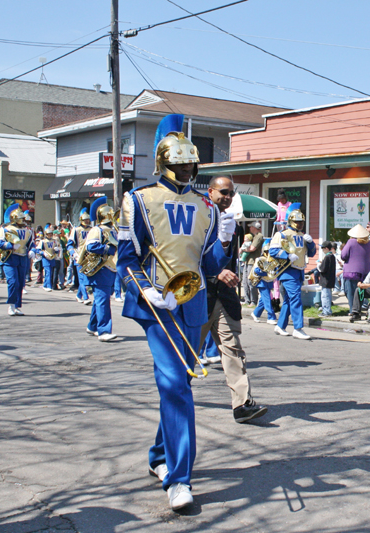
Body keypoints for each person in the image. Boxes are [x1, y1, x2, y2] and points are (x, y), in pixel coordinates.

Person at [116, 116, 234, 511]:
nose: (187, 169)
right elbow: (126, 258)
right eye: (180, 163)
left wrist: (226, 261)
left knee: (178, 385)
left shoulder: (207, 207)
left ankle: (159, 457)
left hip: (194, 303)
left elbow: (207, 258)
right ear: (163, 162)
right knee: (176, 386)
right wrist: (147, 290)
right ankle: (179, 480)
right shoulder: (138, 200)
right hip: (157, 303)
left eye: (191, 163)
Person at [202, 174, 268, 423]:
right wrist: (216, 271)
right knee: (187, 352)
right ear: (210, 192)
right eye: (223, 193)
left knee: (232, 349)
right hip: (200, 293)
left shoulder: (234, 223)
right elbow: (191, 256)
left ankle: (242, 404)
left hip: (225, 296)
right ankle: (175, 395)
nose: (227, 197)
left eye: (230, 193)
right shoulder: (200, 219)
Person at [270, 203, 316, 339]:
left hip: (299, 270)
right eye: (297, 222)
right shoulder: (282, 234)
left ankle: (280, 326)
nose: (300, 224)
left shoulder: (303, 235)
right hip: (287, 271)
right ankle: (298, 328)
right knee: (296, 298)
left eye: (301, 222)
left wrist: (311, 243)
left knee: (289, 301)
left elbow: (311, 254)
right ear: (291, 221)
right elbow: (272, 250)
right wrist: (287, 255)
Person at [84, 197, 119, 342]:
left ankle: (92, 326)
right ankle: (104, 330)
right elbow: (90, 246)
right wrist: (106, 249)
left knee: (101, 299)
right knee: (103, 299)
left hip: (112, 267)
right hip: (101, 268)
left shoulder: (113, 230)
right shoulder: (96, 230)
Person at [0, 204, 34, 315]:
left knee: (20, 283)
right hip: (10, 258)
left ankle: (17, 306)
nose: (23, 220)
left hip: (22, 258)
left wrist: (32, 250)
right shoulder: (6, 229)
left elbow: (30, 243)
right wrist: (10, 246)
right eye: (21, 218)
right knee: (13, 282)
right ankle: (11, 305)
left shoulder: (28, 231)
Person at [340, 224, 370, 321]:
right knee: (360, 292)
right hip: (364, 271)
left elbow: (343, 255)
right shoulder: (369, 244)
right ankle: (359, 310)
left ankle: (353, 311)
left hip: (351, 271)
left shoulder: (351, 242)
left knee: (350, 292)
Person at [67, 208, 93, 305]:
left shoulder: (92, 230)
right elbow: (69, 244)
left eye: (88, 220)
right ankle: (85, 297)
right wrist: (73, 253)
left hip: (89, 257)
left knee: (87, 278)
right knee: (82, 279)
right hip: (79, 257)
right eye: (85, 220)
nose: (87, 221)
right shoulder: (76, 230)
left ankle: (78, 295)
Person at [250, 238, 278, 324]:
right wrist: (267, 272)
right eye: (267, 251)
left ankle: (255, 313)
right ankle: (271, 317)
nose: (269, 253)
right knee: (267, 300)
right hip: (261, 282)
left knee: (263, 300)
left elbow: (275, 269)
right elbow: (257, 271)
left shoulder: (272, 260)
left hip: (268, 282)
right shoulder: (260, 259)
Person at [241, 221, 264, 306]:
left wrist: (243, 249)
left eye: (251, 227)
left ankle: (254, 301)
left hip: (253, 262)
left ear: (255, 227)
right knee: (245, 281)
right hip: (247, 261)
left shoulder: (259, 236)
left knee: (251, 281)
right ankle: (247, 300)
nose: (250, 228)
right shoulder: (251, 236)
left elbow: (252, 248)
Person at [313, 241, 337, 317]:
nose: (322, 250)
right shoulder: (332, 256)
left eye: (323, 248)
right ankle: (326, 309)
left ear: (326, 248)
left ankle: (326, 312)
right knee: (328, 296)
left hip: (325, 280)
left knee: (325, 296)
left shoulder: (327, 257)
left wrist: (318, 265)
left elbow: (323, 269)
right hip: (330, 279)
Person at [39, 226, 61, 292]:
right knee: (48, 271)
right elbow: (38, 250)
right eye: (49, 234)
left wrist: (57, 250)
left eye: (51, 234)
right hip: (45, 258)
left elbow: (57, 250)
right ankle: (49, 286)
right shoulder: (43, 241)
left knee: (50, 272)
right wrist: (43, 253)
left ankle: (45, 285)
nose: (50, 235)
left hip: (52, 257)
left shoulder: (54, 241)